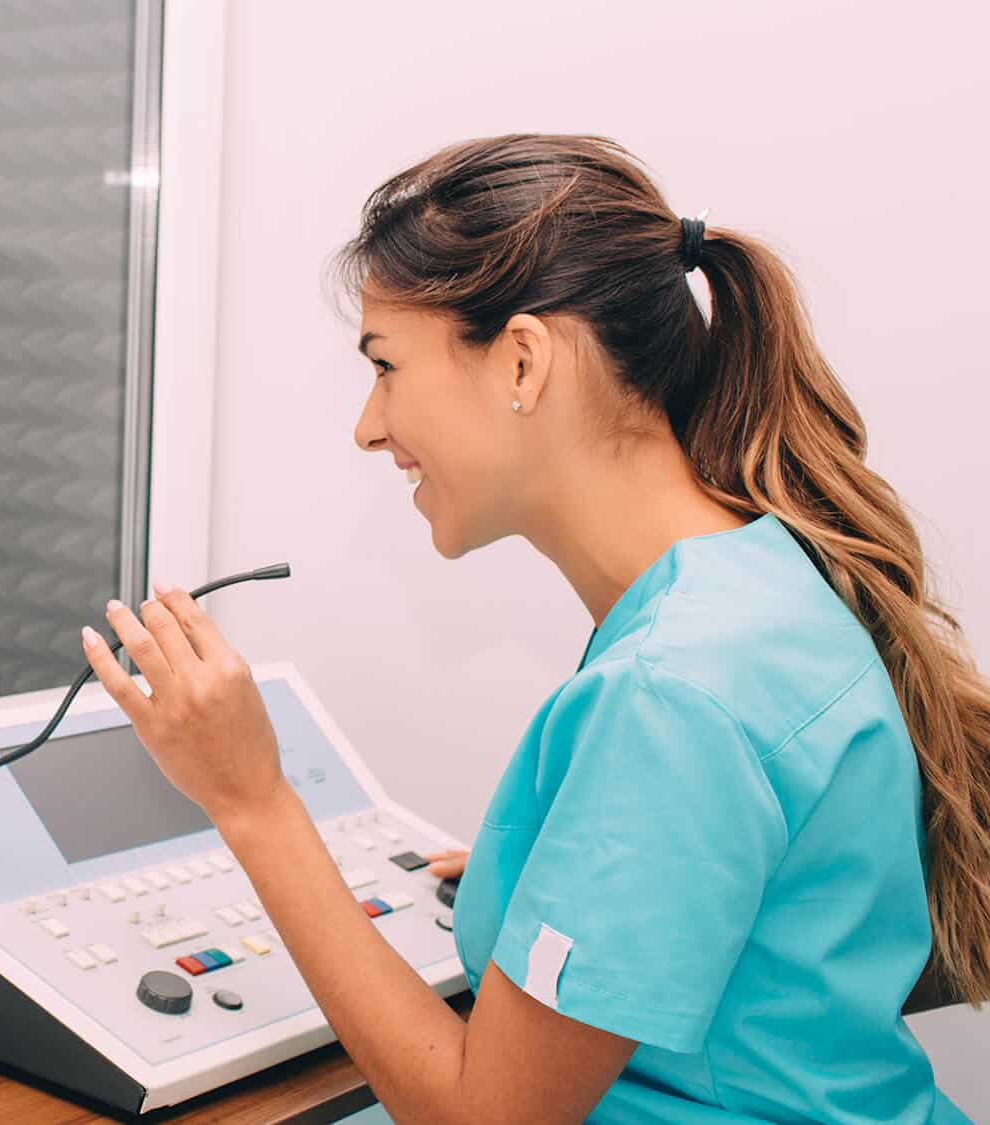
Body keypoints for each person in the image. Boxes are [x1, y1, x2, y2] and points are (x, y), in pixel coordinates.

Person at [83, 135, 983, 1122]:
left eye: (384, 367)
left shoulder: (671, 690)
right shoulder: (757, 580)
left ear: (521, 359)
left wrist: (249, 799)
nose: (366, 427)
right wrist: (564, 886)